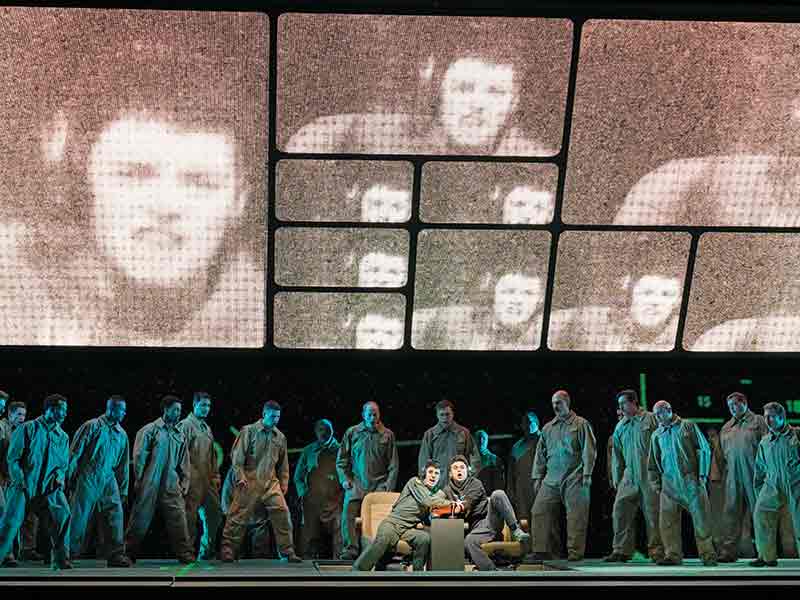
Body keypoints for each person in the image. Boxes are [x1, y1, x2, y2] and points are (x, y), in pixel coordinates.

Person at [16, 14, 265, 347]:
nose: (165, 205)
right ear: (84, 176)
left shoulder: (278, 326)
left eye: (200, 183)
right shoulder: (16, 298)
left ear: (239, 200)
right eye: (132, 175)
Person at [220, 400, 301, 563]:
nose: (275, 420)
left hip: (270, 483)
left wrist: (284, 482)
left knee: (283, 513)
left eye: (278, 417)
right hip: (249, 481)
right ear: (264, 414)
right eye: (272, 416)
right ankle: (228, 549)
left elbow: (283, 464)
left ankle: (287, 551)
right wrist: (240, 477)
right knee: (237, 516)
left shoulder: (280, 437)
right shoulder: (249, 431)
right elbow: (237, 458)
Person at [0, 394, 72, 569]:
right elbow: (13, 459)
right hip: (25, 485)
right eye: (60, 410)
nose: (63, 414)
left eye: (65, 411)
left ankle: (61, 559)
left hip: (48, 487)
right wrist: (19, 481)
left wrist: (60, 478)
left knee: (63, 516)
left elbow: (63, 464)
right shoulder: (27, 429)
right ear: (49, 409)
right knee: (10, 524)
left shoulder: (62, 436)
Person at [549, 262, 684, 351]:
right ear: (630, 294)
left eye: (667, 294)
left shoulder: (682, 335)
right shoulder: (591, 320)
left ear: (678, 301)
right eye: (647, 292)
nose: (655, 302)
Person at [125, 395, 194, 564]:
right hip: (150, 480)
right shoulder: (150, 430)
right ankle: (128, 551)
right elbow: (139, 456)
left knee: (178, 517)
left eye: (179, 410)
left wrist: (185, 481)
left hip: (170, 481)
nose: (178, 413)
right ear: (165, 410)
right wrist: (139, 480)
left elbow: (185, 461)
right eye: (175, 409)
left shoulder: (180, 434)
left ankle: (184, 553)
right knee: (140, 517)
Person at [529, 390, 597, 562]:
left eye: (558, 402)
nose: (555, 406)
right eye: (553, 403)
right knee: (539, 511)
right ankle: (541, 550)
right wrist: (537, 477)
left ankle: (575, 552)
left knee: (576, 516)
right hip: (551, 478)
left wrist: (587, 474)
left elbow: (589, 450)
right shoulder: (547, 428)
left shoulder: (581, 424)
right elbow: (540, 454)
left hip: (574, 476)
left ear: (567, 402)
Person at [648, 400, 717, 566]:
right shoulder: (657, 434)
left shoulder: (688, 426)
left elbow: (704, 449)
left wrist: (702, 475)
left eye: (659, 413)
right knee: (668, 522)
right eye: (655, 414)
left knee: (701, 519)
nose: (657, 417)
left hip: (690, 480)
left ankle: (708, 555)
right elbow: (652, 462)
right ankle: (672, 555)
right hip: (669, 483)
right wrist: (657, 484)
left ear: (669, 411)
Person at [67, 395, 132, 567]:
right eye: (121, 410)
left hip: (108, 477)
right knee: (79, 516)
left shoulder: (121, 434)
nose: (124, 413)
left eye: (125, 410)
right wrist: (68, 478)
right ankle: (67, 552)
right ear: (111, 408)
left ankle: (115, 554)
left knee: (115, 514)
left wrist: (123, 489)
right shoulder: (92, 426)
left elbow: (123, 465)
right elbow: (74, 454)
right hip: (88, 473)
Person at [352, 460, 451, 571]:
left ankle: (418, 575)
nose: (433, 476)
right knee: (383, 539)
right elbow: (427, 501)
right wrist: (452, 504)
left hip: (407, 529)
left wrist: (436, 513)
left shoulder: (438, 495)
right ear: (424, 474)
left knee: (424, 539)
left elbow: (431, 514)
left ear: (440, 477)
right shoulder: (415, 482)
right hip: (392, 524)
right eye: (430, 472)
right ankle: (357, 571)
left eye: (436, 473)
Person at [604, 390, 663, 563]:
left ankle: (657, 551)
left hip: (649, 473)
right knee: (620, 510)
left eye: (623, 403)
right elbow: (617, 454)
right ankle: (621, 550)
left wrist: (663, 473)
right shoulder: (621, 426)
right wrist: (616, 477)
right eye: (619, 404)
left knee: (653, 514)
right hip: (629, 475)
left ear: (633, 402)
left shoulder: (651, 419)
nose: (620, 407)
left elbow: (663, 443)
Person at [443, 455, 529, 571]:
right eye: (455, 468)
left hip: (490, 520)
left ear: (467, 471)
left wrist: (450, 507)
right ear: (450, 473)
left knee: (497, 494)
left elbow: (467, 504)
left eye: (462, 467)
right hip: (474, 528)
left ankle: (515, 530)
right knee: (469, 541)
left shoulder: (475, 484)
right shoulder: (447, 490)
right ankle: (492, 572)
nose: (459, 470)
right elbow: (440, 508)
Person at [337, 401, 399, 560]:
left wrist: (388, 488)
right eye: (369, 414)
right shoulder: (353, 432)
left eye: (375, 414)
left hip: (379, 484)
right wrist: (345, 479)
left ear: (379, 415)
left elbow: (393, 464)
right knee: (348, 513)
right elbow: (341, 460)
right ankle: (350, 549)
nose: (372, 417)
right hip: (357, 483)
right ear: (363, 415)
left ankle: (378, 549)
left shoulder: (387, 434)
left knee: (380, 518)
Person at [507, 410, 562, 558]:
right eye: (524, 422)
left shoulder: (545, 439)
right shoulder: (517, 446)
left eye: (530, 422)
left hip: (544, 485)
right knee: (525, 520)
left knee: (548, 519)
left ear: (536, 423)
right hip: (522, 489)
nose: (527, 425)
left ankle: (554, 552)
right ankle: (531, 552)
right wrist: (511, 490)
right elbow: (511, 472)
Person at [751, 402, 800, 567]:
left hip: (796, 482)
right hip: (772, 483)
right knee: (761, 513)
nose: (767, 420)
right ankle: (766, 556)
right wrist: (759, 489)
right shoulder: (765, 441)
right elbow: (759, 467)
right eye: (765, 417)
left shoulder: (797, 435)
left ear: (781, 417)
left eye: (771, 416)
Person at [179, 392, 222, 560]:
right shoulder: (185, 426)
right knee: (189, 517)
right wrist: (182, 479)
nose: (206, 409)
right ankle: (187, 551)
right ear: (194, 405)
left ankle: (206, 550)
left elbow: (212, 456)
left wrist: (216, 475)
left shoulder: (206, 428)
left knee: (215, 513)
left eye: (208, 406)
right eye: (203, 405)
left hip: (208, 479)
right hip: (191, 479)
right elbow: (180, 455)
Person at [293, 419, 343, 559]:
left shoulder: (341, 450)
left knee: (339, 531)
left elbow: (348, 474)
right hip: (313, 500)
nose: (323, 432)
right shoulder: (308, 451)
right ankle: (308, 568)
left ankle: (339, 565)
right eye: (320, 429)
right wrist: (304, 494)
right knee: (310, 535)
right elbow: (298, 477)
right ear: (315, 432)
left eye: (326, 429)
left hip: (335, 500)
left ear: (332, 430)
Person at [418, 399, 481, 490]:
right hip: (438, 485)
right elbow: (423, 462)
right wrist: (426, 484)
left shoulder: (463, 433)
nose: (444, 418)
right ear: (437, 415)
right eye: (442, 415)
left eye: (447, 414)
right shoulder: (430, 435)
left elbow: (475, 458)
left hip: (459, 485)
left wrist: (470, 478)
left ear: (452, 414)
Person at [220, 466, 272, 558]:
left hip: (258, 519)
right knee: (238, 552)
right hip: (239, 520)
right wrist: (228, 513)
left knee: (260, 552)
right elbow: (226, 493)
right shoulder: (235, 470)